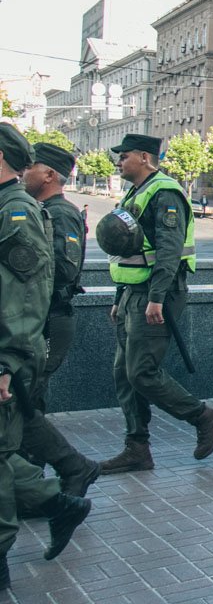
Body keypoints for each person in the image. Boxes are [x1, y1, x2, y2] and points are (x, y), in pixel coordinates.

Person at [0, 125, 94, 590]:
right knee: (17, 421)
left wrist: (12, 356)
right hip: (24, 334)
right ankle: (61, 492)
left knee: (16, 421)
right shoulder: (24, 208)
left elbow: (44, 283)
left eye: (38, 165)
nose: (32, 170)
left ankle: (62, 485)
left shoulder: (32, 212)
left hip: (35, 329)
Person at [98, 134, 213, 474]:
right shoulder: (135, 192)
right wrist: (118, 297)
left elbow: (168, 251)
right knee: (124, 375)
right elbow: (129, 251)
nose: (119, 161)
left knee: (142, 372)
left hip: (157, 295)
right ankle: (137, 448)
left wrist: (155, 297)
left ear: (144, 157)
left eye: (124, 156)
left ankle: (203, 417)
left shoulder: (164, 191)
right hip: (132, 294)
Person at [17, 143, 100, 495]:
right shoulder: (42, 209)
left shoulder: (60, 213)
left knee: (29, 399)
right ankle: (31, 478)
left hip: (52, 318)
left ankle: (38, 479)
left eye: (30, 168)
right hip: (41, 316)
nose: (24, 174)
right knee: (27, 398)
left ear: (49, 175)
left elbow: (64, 270)